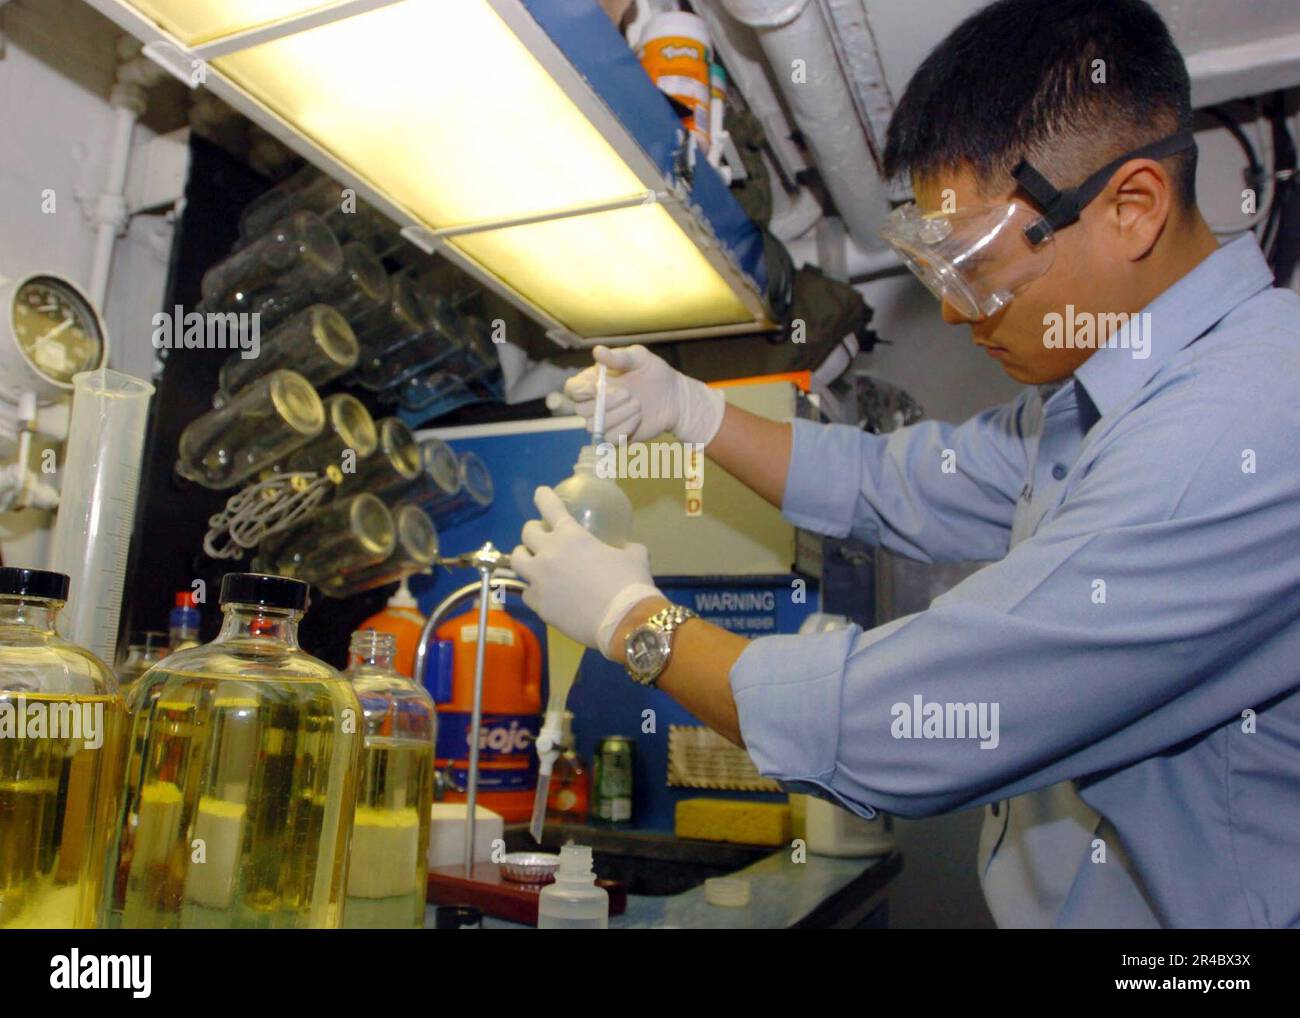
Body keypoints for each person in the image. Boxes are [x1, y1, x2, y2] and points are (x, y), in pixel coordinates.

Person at [511, 0, 1300, 928]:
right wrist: (695, 412)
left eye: (974, 264)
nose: (958, 313)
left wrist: (633, 623)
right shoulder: (1105, 399)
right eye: (936, 269)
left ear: (1131, 208)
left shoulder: (1242, 422)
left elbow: (920, 714)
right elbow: (895, 482)